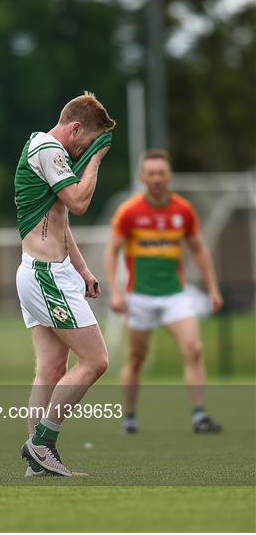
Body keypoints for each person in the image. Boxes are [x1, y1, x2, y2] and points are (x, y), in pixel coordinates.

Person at [15, 92, 116, 476]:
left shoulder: (41, 149)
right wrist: (96, 159)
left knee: (51, 368)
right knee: (96, 360)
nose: (84, 151)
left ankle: (37, 465)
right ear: (75, 129)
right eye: (86, 142)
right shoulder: (48, 147)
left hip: (40, 270)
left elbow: (59, 218)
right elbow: (78, 202)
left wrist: (84, 269)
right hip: (45, 275)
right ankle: (42, 442)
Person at [104, 149, 223, 434]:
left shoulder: (182, 210)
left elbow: (198, 249)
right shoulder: (129, 212)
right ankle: (130, 417)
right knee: (136, 358)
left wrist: (213, 289)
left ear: (169, 176)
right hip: (139, 296)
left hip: (174, 295)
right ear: (142, 177)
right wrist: (116, 293)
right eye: (151, 173)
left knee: (194, 349)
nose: (156, 178)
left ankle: (199, 415)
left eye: (161, 173)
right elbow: (112, 251)